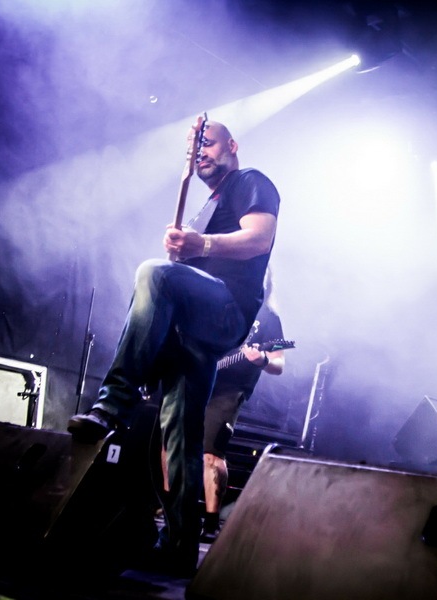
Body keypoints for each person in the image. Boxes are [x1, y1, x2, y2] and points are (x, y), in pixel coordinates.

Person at [67, 117, 280, 577]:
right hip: (192, 332)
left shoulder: (249, 181)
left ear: (232, 145)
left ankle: (113, 403)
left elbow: (260, 237)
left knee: (153, 273)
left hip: (227, 311)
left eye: (207, 142)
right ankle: (180, 546)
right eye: (192, 146)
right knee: (180, 438)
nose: (199, 151)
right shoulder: (209, 204)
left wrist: (200, 243)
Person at [200, 267, 285, 541]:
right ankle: (172, 510)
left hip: (230, 390)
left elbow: (279, 363)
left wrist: (262, 359)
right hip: (199, 380)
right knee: (173, 444)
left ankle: (211, 522)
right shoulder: (221, 303)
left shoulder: (269, 317)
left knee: (211, 452)